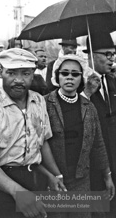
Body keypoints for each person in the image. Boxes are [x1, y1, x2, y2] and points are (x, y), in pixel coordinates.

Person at [0, 48, 67, 218]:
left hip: (34, 181)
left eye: (26, 73)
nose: (19, 80)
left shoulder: (38, 101)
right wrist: (19, 192)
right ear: (1, 72)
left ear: (33, 73)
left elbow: (42, 143)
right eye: (11, 73)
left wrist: (54, 175)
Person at [45, 54, 115, 218]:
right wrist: (49, 175)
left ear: (81, 78)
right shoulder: (44, 104)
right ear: (57, 76)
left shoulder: (89, 107)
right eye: (65, 73)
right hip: (52, 180)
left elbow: (98, 144)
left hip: (81, 179)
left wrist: (107, 176)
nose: (70, 78)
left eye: (75, 74)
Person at [83, 31, 116, 218]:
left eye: (113, 54)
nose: (112, 59)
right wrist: (86, 93)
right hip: (94, 161)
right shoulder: (78, 82)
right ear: (91, 55)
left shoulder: (112, 80)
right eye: (107, 54)